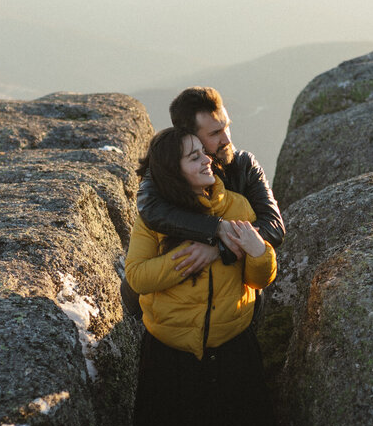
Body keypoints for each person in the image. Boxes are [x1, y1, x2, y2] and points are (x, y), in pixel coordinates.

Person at [125, 127, 278, 426]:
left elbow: (259, 278)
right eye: (193, 158)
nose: (207, 160)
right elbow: (137, 277)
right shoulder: (154, 219)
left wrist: (258, 251)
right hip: (171, 346)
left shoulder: (238, 206)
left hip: (229, 341)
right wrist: (185, 258)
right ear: (174, 173)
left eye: (203, 153)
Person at [122, 86, 284, 318]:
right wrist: (216, 228)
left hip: (233, 308)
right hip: (164, 313)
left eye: (227, 126)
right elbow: (151, 209)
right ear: (189, 137)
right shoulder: (164, 169)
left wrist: (219, 248)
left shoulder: (244, 166)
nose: (227, 139)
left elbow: (274, 226)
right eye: (215, 133)